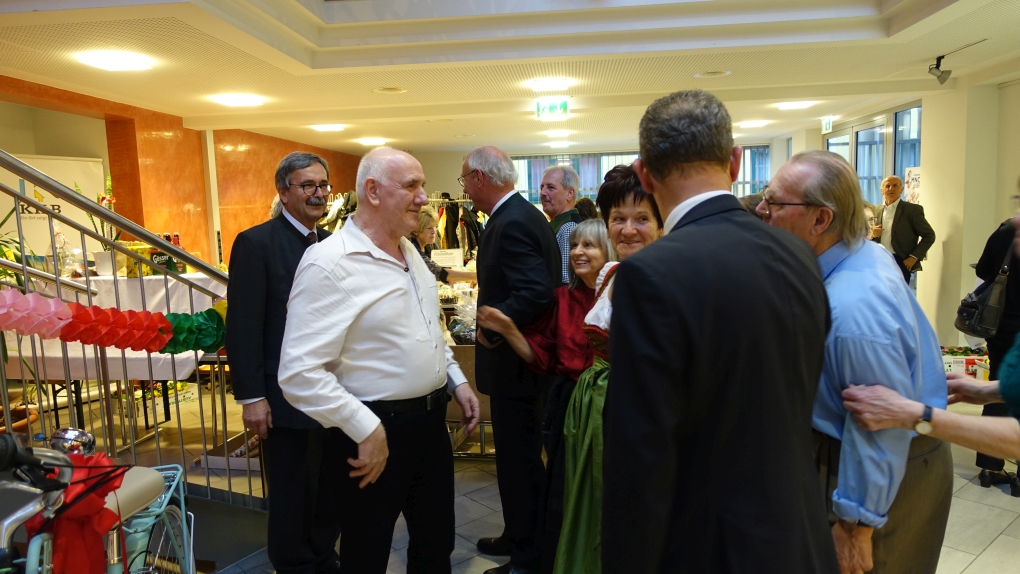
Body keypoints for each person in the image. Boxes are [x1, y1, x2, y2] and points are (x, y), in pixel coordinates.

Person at [603, 90, 837, 574]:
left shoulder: (650, 275)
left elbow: (640, 459)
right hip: (799, 534)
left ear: (644, 175)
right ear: (734, 161)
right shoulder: (798, 254)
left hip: (710, 548)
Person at [276, 147, 481, 574]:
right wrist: (364, 427)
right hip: (369, 432)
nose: (423, 197)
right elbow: (298, 373)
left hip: (430, 428)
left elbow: (429, 329)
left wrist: (456, 379)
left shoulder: (410, 254)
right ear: (372, 191)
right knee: (366, 554)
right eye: (411, 186)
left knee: (435, 548)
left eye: (422, 185)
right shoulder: (330, 263)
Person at [757, 150, 951, 574]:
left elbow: (880, 427)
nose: (761, 210)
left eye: (774, 202)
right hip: (883, 459)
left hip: (878, 473)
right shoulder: (860, 253)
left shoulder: (851, 312)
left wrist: (856, 526)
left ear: (820, 219)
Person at [225, 152, 342, 574]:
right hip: (284, 396)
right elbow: (243, 326)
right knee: (293, 492)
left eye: (323, 185)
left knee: (329, 487)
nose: (318, 193)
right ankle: (294, 565)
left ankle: (323, 556)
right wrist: (252, 397)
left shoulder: (332, 243)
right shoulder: (256, 243)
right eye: (307, 185)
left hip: (334, 391)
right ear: (283, 191)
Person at [475, 219, 611, 574]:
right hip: (567, 403)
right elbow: (543, 358)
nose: (578, 252)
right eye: (575, 245)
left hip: (609, 406)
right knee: (562, 488)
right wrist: (508, 329)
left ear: (607, 251)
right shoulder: (561, 300)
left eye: (589, 245)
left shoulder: (621, 295)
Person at [460, 146, 561, 574]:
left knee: (521, 465)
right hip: (515, 370)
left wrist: (495, 325)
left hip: (517, 368)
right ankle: (517, 534)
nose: (465, 189)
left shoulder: (513, 221)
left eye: (466, 180)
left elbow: (535, 291)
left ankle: (528, 556)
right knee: (515, 462)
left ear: (481, 178)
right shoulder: (515, 216)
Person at [971, 214, 1020, 489]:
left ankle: (989, 467)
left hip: (1001, 324)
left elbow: (983, 270)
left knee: (997, 390)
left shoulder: (1005, 230)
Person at [872, 175, 936, 282]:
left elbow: (929, 235)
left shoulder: (912, 210)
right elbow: (861, 234)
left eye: (895, 186)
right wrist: (871, 233)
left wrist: (914, 257)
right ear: (882, 190)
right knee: (878, 291)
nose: (891, 188)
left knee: (899, 292)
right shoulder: (875, 210)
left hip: (900, 261)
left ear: (901, 189)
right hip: (878, 259)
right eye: (887, 186)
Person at [409, 205, 477, 283]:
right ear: (415, 230)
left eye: (435, 227)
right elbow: (437, 271)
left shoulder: (425, 245)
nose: (434, 232)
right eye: (429, 228)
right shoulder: (412, 248)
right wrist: (474, 276)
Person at [541, 165, 583, 284]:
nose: (542, 192)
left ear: (569, 193)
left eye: (551, 187)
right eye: (542, 187)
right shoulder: (558, 223)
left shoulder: (568, 228)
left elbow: (567, 282)